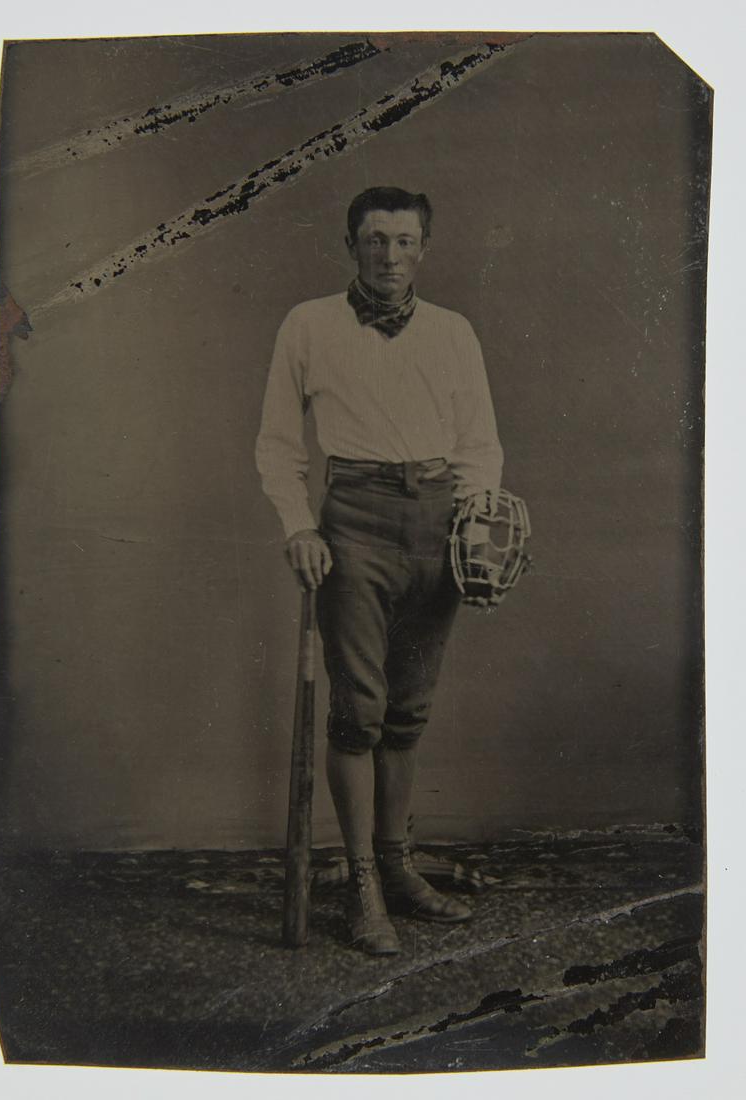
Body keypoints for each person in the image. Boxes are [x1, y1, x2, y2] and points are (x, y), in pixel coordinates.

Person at [256, 186, 503, 955]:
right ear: (350, 245)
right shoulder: (308, 324)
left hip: (439, 523)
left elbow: (479, 443)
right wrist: (299, 524)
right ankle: (362, 883)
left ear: (422, 248)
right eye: (373, 240)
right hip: (353, 520)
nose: (388, 255)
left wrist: (478, 523)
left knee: (408, 711)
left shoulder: (454, 333)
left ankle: (397, 870)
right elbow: (276, 442)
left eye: (402, 241)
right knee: (358, 710)